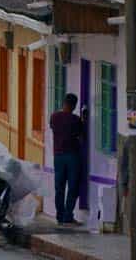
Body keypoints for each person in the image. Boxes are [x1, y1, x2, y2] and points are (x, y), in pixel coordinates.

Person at [49, 92, 84, 225]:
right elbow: (81, 138)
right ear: (74, 105)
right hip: (72, 156)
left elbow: (53, 128)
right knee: (73, 186)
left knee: (59, 187)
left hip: (58, 156)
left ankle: (60, 215)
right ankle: (68, 215)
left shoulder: (54, 117)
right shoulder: (76, 120)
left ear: (63, 103)